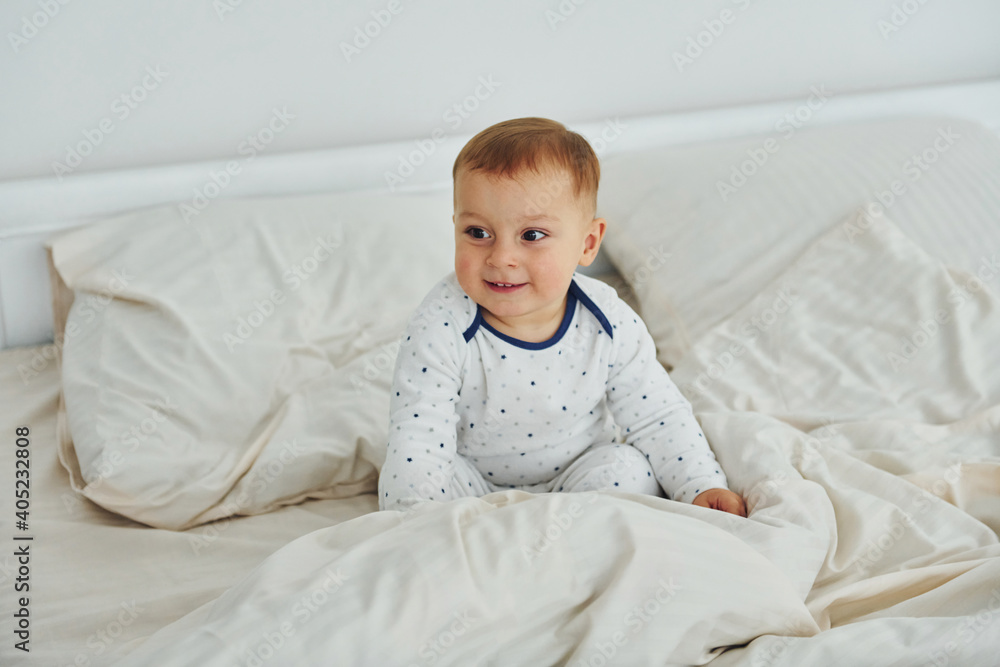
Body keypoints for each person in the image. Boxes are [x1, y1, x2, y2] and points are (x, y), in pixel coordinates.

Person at [378, 117, 746, 517]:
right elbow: (420, 437)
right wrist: (413, 520)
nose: (501, 258)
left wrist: (700, 484)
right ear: (455, 228)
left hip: (578, 475)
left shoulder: (607, 321)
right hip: (476, 486)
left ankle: (573, 540)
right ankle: (455, 535)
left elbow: (658, 416)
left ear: (587, 243)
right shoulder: (440, 326)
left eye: (531, 235)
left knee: (630, 471)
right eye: (478, 233)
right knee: (413, 478)